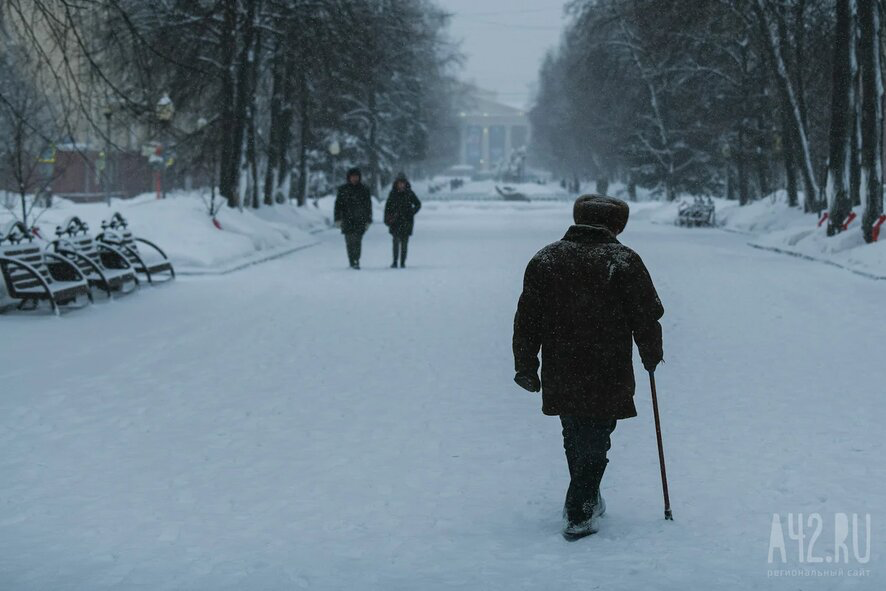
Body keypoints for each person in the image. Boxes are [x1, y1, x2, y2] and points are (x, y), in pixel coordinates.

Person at [512, 194, 664, 541]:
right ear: (615, 224)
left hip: (562, 363)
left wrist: (526, 364)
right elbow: (646, 315)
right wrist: (651, 353)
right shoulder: (624, 260)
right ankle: (580, 509)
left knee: (575, 430)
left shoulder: (547, 258)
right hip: (606, 366)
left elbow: (527, 319)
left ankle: (587, 496)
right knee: (596, 434)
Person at [334, 168, 373, 269]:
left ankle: (356, 260)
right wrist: (337, 219)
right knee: (349, 242)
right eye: (352, 177)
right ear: (349, 178)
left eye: (356, 176)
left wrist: (368, 220)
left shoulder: (364, 190)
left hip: (360, 220)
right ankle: (351, 260)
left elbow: (368, 206)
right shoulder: (343, 190)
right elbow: (338, 205)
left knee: (357, 241)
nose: (354, 179)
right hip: (347, 220)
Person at [383, 173, 422, 268]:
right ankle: (395, 261)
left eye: (402, 183)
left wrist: (412, 212)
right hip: (395, 221)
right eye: (399, 183)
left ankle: (403, 262)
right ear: (396, 183)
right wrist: (387, 219)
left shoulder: (410, 193)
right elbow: (387, 208)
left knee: (404, 243)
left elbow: (418, 204)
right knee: (395, 242)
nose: (401, 185)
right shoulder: (392, 194)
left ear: (405, 183)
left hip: (406, 221)